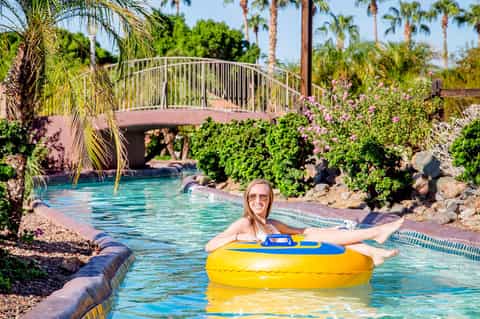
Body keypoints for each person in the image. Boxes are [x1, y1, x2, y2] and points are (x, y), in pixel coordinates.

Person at [205, 179, 404, 266]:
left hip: (293, 255)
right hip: (275, 266)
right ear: (247, 199)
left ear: (270, 199)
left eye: (263, 197)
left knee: (320, 234)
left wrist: (330, 229)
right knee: (321, 236)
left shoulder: (272, 223)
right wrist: (239, 237)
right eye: (253, 197)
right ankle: (376, 234)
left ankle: (374, 252)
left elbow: (301, 230)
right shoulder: (245, 223)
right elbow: (209, 246)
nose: (258, 201)